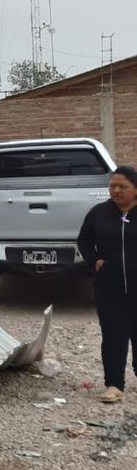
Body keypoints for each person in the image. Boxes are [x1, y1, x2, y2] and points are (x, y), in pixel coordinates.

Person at [77, 164, 137, 404]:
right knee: (113, 335)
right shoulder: (99, 213)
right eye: (112, 186)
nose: (116, 191)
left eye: (122, 187)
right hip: (108, 287)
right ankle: (114, 384)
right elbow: (84, 239)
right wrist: (94, 262)